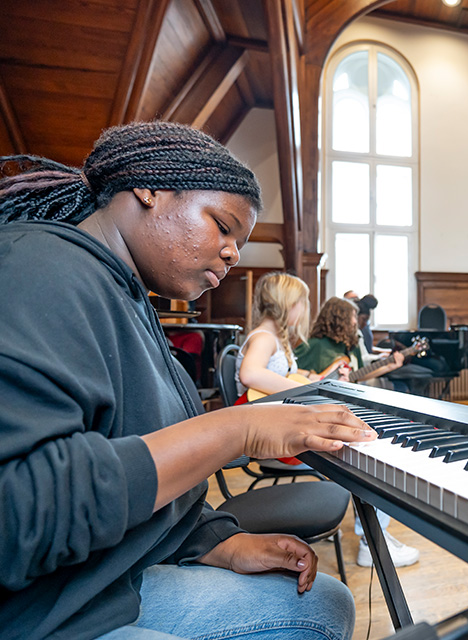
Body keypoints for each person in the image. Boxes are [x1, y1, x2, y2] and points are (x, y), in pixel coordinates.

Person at [0, 121, 376, 640]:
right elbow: (19, 517)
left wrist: (215, 543)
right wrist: (236, 429)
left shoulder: (132, 300)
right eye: (221, 226)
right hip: (45, 612)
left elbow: (139, 461)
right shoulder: (38, 269)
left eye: (239, 242)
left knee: (323, 604)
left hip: (105, 581)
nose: (233, 253)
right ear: (148, 187)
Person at [295, 297, 419, 568]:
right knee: (377, 455)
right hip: (318, 423)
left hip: (340, 416)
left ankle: (375, 535)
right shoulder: (314, 347)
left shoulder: (347, 346)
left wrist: (392, 363)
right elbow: (297, 382)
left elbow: (357, 376)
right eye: (352, 318)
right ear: (339, 318)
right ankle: (372, 542)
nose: (357, 322)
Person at [235, 271, 322, 401]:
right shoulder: (264, 338)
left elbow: (277, 372)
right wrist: (304, 391)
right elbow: (250, 374)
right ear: (288, 304)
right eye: (302, 302)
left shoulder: (273, 337)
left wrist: (313, 377)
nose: (304, 309)